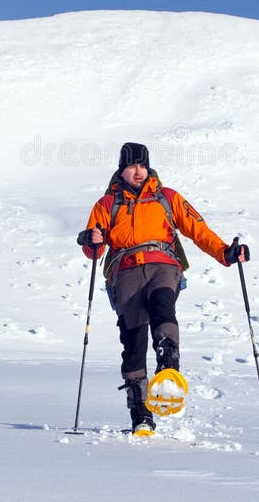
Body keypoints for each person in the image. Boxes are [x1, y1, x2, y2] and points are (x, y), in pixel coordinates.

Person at [77, 142, 249, 435]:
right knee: (132, 340)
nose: (139, 171)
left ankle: (168, 363)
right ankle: (141, 413)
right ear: (122, 169)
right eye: (133, 166)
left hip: (163, 264)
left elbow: (198, 229)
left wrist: (226, 253)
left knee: (162, 305)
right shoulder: (106, 205)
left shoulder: (166, 198)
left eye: (142, 165)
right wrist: (89, 239)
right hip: (125, 269)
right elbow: (95, 248)